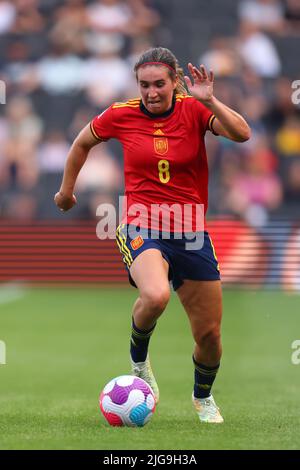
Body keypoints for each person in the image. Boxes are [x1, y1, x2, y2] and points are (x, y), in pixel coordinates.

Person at [54, 47, 250, 424]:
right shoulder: (120, 114)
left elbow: (242, 133)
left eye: (159, 84)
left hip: (191, 231)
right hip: (141, 223)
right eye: (144, 85)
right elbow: (81, 143)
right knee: (156, 294)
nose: (151, 92)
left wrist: (210, 100)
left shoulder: (194, 109)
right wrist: (66, 191)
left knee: (209, 335)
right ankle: (139, 360)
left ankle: (202, 398)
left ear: (175, 83)